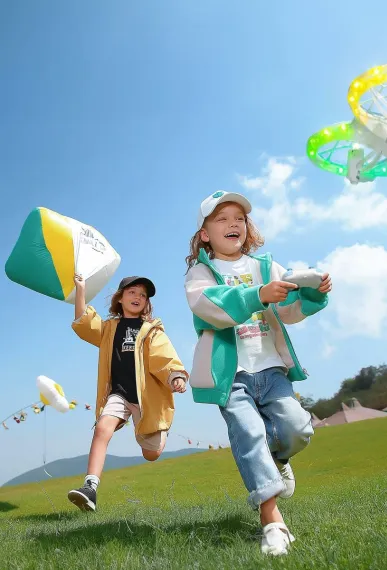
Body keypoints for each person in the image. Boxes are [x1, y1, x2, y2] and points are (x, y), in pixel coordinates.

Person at [184, 191, 332, 556]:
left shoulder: (266, 266)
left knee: (297, 428)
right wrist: (258, 295)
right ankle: (273, 523)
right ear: (204, 234)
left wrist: (312, 295)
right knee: (249, 434)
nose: (232, 224)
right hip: (231, 375)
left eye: (239, 218)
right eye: (221, 219)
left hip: (271, 368)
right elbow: (209, 308)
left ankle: (278, 460)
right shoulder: (200, 274)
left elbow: (289, 309)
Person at [67, 274, 189, 512]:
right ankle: (90, 488)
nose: (138, 297)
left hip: (146, 398)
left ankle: (159, 427)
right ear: (120, 298)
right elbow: (83, 322)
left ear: (146, 303)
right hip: (118, 394)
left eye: (143, 295)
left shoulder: (151, 331)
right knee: (102, 427)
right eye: (132, 292)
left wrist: (176, 375)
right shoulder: (108, 328)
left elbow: (164, 356)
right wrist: (80, 290)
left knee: (151, 454)